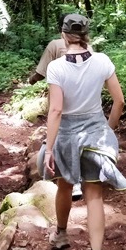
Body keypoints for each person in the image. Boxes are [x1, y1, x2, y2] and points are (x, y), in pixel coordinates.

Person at [37, 13, 126, 250]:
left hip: (66, 136)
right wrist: (107, 130)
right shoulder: (102, 61)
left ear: (64, 36)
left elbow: (55, 110)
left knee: (64, 186)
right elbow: (119, 101)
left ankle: (61, 234)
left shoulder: (56, 67)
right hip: (94, 136)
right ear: (87, 35)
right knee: (94, 194)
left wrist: (50, 148)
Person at [29, 14, 83, 200]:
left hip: (61, 99)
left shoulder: (54, 45)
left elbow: (39, 73)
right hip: (86, 103)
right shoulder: (90, 50)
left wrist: (31, 81)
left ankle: (64, 182)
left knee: (56, 138)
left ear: (62, 31)